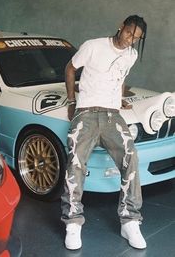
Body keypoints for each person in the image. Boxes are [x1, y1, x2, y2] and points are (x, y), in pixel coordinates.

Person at [61, 15, 147, 250]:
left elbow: (120, 76)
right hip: (86, 112)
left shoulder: (132, 54)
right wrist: (71, 101)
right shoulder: (92, 45)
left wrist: (119, 99)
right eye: (129, 33)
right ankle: (73, 221)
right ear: (121, 26)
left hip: (112, 115)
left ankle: (130, 220)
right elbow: (70, 68)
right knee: (76, 163)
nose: (130, 40)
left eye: (136, 38)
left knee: (131, 158)